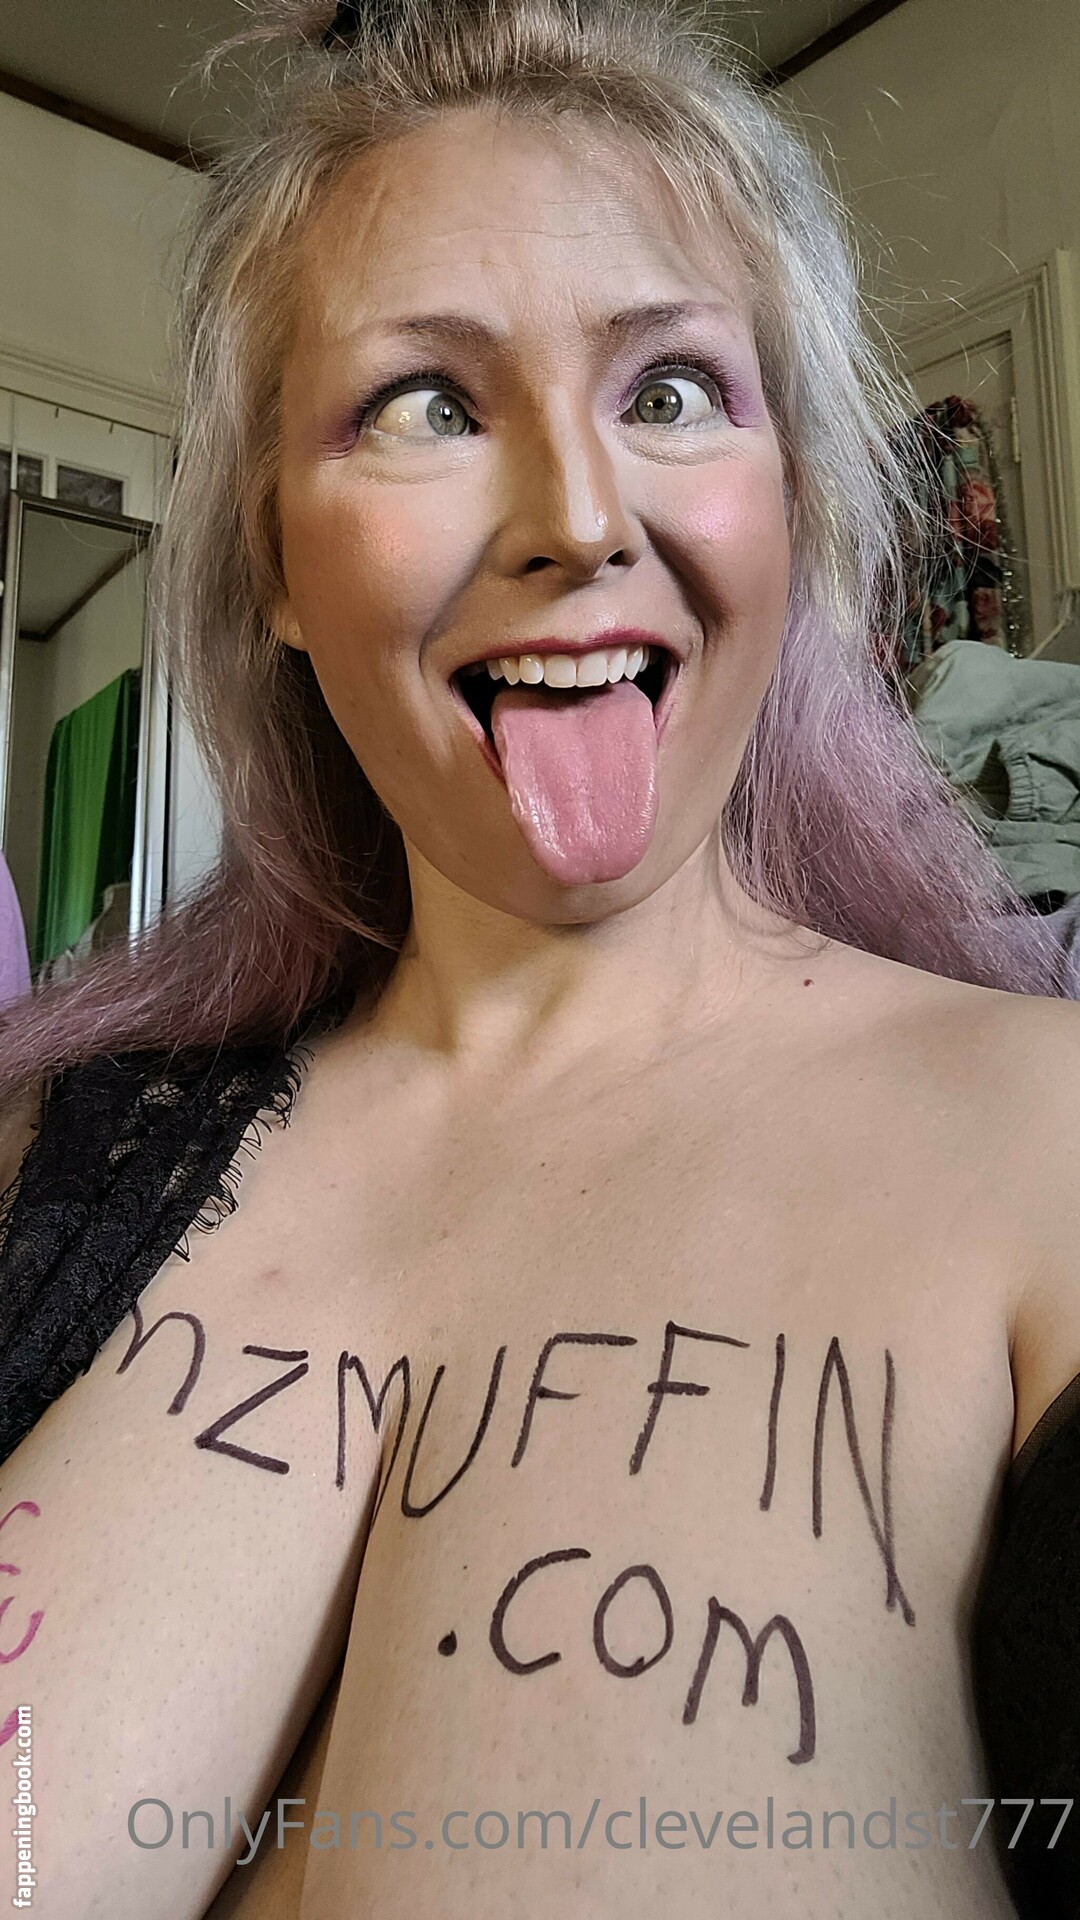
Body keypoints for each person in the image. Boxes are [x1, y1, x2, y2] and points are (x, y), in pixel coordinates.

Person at [0, 0, 1078, 1914]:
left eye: (671, 390)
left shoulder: (1052, 1144)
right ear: (273, 563)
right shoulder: (50, 1157)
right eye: (425, 402)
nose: (579, 520)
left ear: (795, 496)